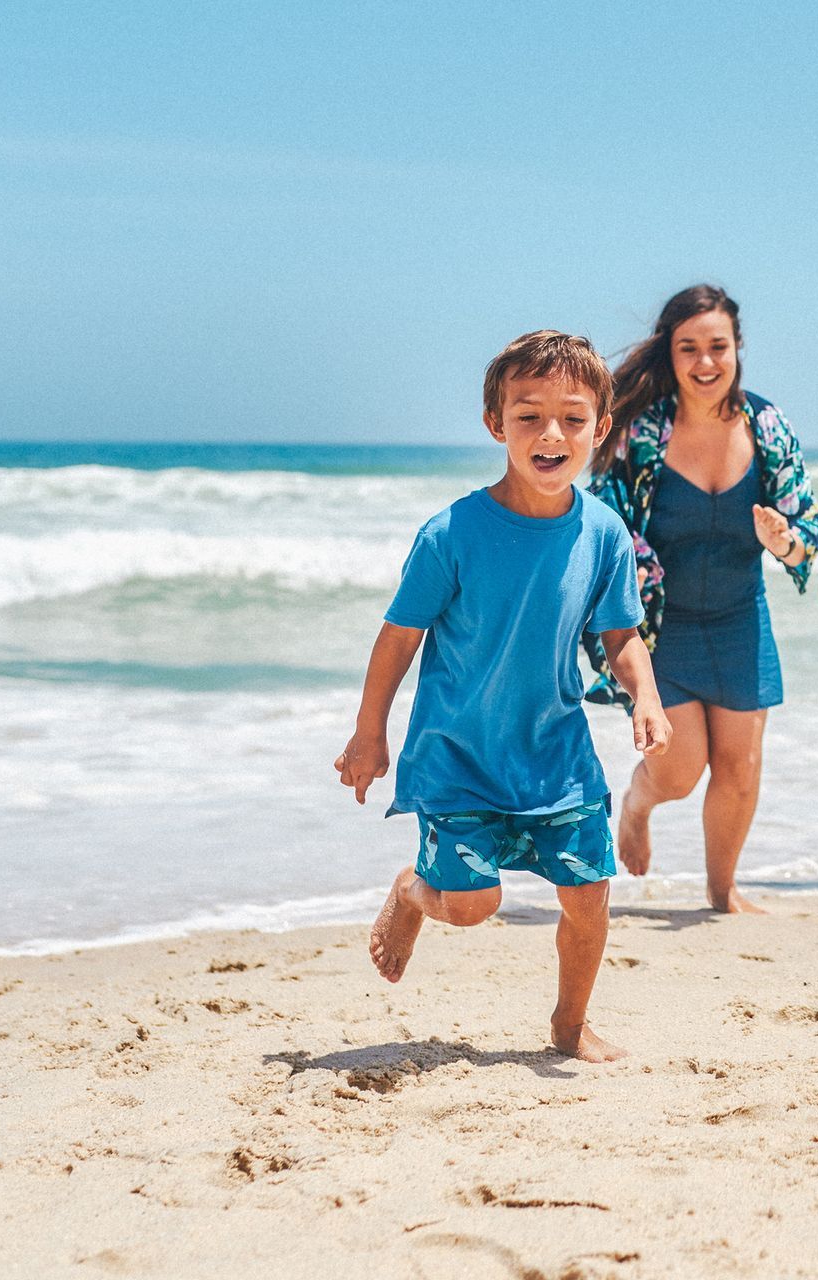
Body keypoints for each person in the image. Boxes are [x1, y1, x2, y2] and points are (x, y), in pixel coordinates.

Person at [335, 331, 671, 1064]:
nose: (552, 434)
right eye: (529, 416)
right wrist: (370, 735)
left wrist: (644, 694)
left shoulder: (605, 533)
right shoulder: (451, 533)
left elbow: (622, 636)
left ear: (600, 429)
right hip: (458, 757)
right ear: (497, 425)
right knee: (471, 906)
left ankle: (569, 1025)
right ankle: (413, 890)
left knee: (589, 897)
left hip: (556, 754)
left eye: (573, 418)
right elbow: (398, 639)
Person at [585, 285, 818, 914]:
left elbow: (807, 533)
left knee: (740, 770)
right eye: (689, 348)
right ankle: (636, 807)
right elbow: (602, 525)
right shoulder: (641, 435)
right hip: (664, 629)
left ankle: (722, 893)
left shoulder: (767, 427)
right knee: (680, 769)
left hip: (742, 619)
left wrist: (785, 543)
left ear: (737, 348)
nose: (705, 363)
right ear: (670, 352)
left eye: (717, 347)